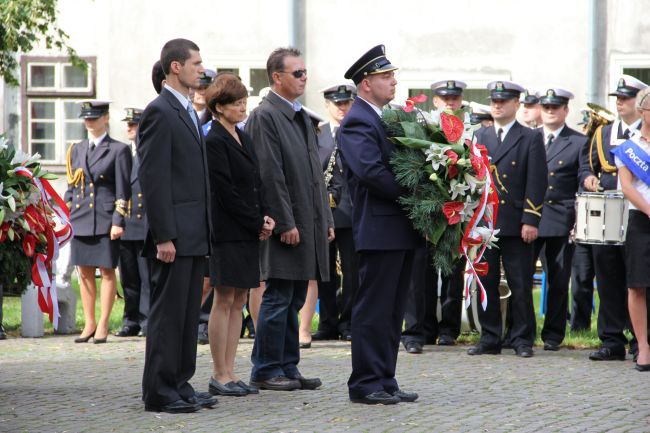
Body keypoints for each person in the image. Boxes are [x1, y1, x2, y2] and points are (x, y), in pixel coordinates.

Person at [245, 47, 333, 392]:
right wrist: (284, 223)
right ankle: (266, 368)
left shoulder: (299, 116)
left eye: (305, 72)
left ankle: (287, 366)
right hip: (288, 225)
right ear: (277, 78)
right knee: (278, 296)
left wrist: (324, 217)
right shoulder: (265, 116)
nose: (304, 77)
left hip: (308, 222)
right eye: (297, 73)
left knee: (295, 296)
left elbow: (315, 176)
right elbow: (270, 174)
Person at [339, 44, 422, 405]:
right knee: (374, 308)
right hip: (379, 228)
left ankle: (385, 377)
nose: (393, 81)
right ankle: (366, 381)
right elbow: (370, 172)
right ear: (366, 83)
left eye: (392, 75)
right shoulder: (358, 119)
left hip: (397, 228)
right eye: (385, 76)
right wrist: (415, 194)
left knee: (392, 310)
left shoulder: (383, 117)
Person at [139, 38, 216, 413]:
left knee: (187, 315)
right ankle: (159, 389)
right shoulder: (159, 111)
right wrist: (164, 235)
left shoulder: (186, 109)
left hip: (194, 232)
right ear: (175, 67)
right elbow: (154, 180)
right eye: (196, 63)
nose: (201, 69)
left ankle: (181, 381)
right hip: (174, 235)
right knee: (168, 316)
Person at [203, 73, 274, 396]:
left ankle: (232, 371)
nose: (243, 107)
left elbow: (255, 182)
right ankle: (219, 373)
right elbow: (224, 191)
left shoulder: (241, 136)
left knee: (240, 299)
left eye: (245, 101)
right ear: (219, 107)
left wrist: (265, 217)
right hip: (228, 229)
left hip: (247, 227)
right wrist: (254, 221)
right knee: (224, 297)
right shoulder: (214, 139)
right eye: (236, 103)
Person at [468, 81, 547, 358]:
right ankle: (489, 337)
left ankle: (522, 339)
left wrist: (531, 219)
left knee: (520, 282)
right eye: (494, 101)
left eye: (504, 101)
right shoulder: (480, 136)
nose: (498, 105)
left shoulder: (530, 137)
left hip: (515, 221)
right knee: (486, 283)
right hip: (486, 221)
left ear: (516, 104)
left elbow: (537, 181)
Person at [579, 74, 648, 361]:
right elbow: (585, 165)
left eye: (626, 98)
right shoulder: (602, 133)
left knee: (638, 279)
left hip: (635, 214)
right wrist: (588, 180)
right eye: (617, 98)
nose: (620, 103)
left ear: (640, 104)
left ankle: (639, 340)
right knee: (607, 277)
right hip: (607, 214)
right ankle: (611, 339)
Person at [401, 79, 467, 354]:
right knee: (419, 272)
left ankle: (449, 329)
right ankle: (418, 331)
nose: (449, 102)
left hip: (456, 207)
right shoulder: (422, 127)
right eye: (444, 98)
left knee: (452, 270)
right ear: (435, 101)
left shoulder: (468, 132)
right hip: (425, 210)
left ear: (460, 101)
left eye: (454, 98)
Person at [64, 100, 131, 344]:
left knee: (107, 270)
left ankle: (103, 323)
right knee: (83, 271)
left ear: (105, 119)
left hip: (104, 217)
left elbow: (123, 190)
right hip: (80, 217)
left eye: (94, 118)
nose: (89, 123)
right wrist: (65, 213)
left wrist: (118, 220)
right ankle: (89, 322)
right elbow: (72, 186)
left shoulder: (119, 150)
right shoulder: (77, 149)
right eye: (86, 119)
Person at [532, 88, 587, 351]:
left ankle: (553, 334)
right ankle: (520, 332)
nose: (550, 111)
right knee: (520, 279)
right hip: (528, 217)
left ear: (566, 110)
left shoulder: (578, 141)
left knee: (557, 280)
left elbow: (583, 176)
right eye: (546, 107)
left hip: (560, 219)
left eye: (556, 107)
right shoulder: (528, 138)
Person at [308, 83, 358, 344]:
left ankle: (348, 321)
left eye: (346, 103)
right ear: (327, 106)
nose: (342, 108)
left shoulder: (358, 132)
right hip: (323, 212)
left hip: (351, 212)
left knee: (352, 271)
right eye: (336, 104)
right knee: (324, 271)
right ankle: (328, 322)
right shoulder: (316, 132)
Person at [615, 86, 650, 371]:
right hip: (641, 220)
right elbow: (627, 187)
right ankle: (643, 346)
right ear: (642, 112)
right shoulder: (631, 146)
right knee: (637, 284)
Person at [115, 108, 150, 338]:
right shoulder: (122, 153)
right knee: (128, 277)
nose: (130, 128)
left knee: (146, 277)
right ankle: (131, 320)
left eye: (134, 124)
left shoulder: (148, 153)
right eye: (128, 124)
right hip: (125, 222)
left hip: (145, 223)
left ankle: (147, 319)